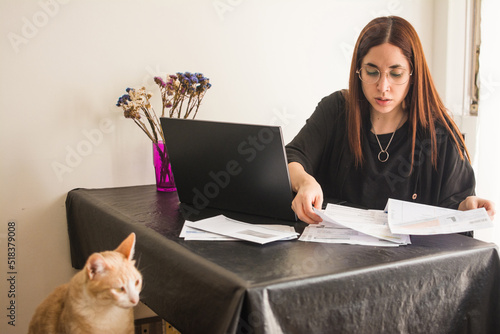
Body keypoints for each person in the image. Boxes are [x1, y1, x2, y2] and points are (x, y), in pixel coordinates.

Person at [286, 16, 495, 226]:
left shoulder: (438, 134)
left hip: (408, 259)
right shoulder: (337, 110)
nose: (383, 86)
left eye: (395, 74)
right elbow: (292, 156)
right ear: (358, 70)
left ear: (413, 74)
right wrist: (305, 181)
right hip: (333, 254)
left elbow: (453, 211)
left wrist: (465, 208)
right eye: (372, 72)